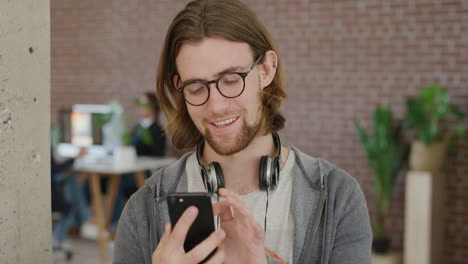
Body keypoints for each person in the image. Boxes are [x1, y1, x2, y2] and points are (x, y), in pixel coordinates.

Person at [114, 0, 372, 263]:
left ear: (266, 70)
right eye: (196, 87)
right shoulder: (143, 208)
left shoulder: (338, 197)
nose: (215, 106)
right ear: (180, 87)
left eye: (231, 79)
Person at [51, 147, 89, 256]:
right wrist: (75, 158)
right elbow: (54, 169)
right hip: (51, 192)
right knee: (71, 185)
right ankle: (82, 217)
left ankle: (81, 218)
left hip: (52, 187)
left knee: (73, 184)